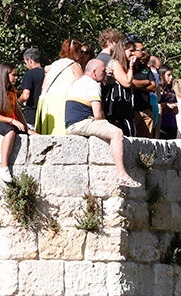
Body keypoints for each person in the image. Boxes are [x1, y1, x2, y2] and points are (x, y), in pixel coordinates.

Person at [65, 59, 139, 188]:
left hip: (72, 123)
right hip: (81, 123)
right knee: (117, 133)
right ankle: (122, 174)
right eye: (103, 71)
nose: (105, 73)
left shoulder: (79, 82)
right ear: (94, 72)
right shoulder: (93, 85)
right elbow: (98, 115)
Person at [0, 62, 28, 183]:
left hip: (5, 120)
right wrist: (12, 120)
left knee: (22, 131)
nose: (16, 78)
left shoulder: (12, 91)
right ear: (5, 75)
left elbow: (17, 111)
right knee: (10, 131)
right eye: (14, 75)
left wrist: (27, 128)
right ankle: (3, 167)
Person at [35, 39, 86, 135]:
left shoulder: (54, 65)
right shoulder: (74, 65)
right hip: (63, 102)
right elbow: (81, 85)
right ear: (75, 51)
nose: (81, 54)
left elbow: (44, 86)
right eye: (80, 51)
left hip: (49, 102)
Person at [18, 48, 43, 128]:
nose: (26, 66)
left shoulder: (29, 74)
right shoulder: (48, 73)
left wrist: (18, 102)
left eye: (26, 63)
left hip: (31, 114)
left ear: (30, 60)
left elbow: (25, 96)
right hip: (45, 114)